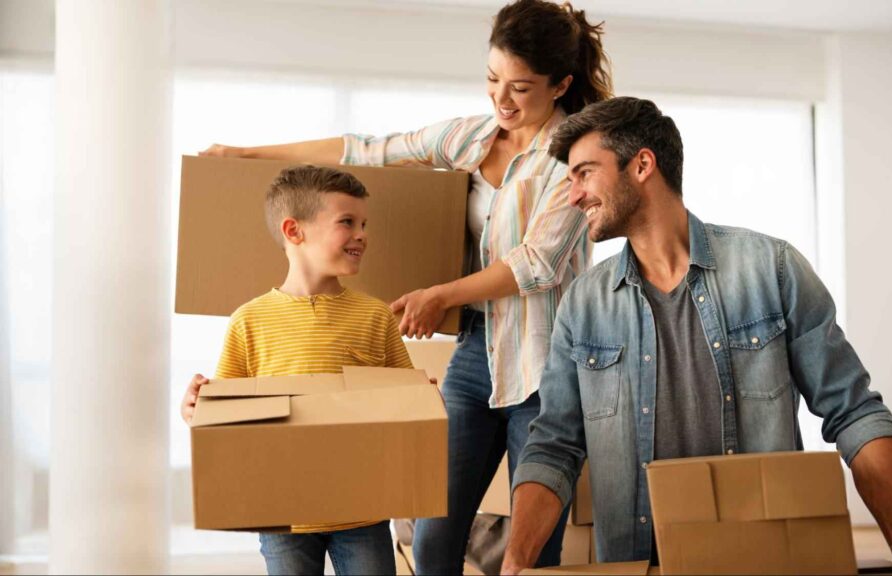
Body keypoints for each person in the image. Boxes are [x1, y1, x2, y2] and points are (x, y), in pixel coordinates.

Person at [196, 2, 613, 573]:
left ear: (560, 85)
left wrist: (440, 296)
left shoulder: (572, 159)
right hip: (475, 356)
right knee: (433, 539)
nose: (502, 100)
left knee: (533, 552)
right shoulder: (471, 138)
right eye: (492, 80)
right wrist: (249, 154)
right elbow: (368, 149)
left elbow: (536, 263)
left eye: (521, 88)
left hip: (545, 368)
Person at [500, 97, 892, 575]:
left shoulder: (772, 269)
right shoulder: (583, 305)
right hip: (637, 564)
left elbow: (854, 412)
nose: (574, 195)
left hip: (762, 561)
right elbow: (554, 446)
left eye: (584, 173)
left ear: (642, 164)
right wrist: (515, 561)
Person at [180, 165, 414, 575]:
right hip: (283, 512)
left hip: (362, 509)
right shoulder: (249, 321)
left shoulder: (376, 317)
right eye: (347, 222)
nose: (362, 234)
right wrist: (195, 409)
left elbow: (407, 408)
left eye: (363, 223)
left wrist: (423, 399)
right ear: (294, 231)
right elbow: (223, 417)